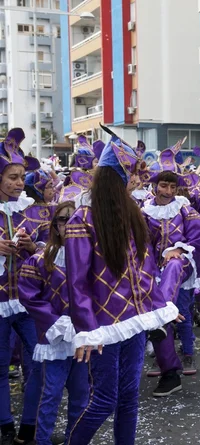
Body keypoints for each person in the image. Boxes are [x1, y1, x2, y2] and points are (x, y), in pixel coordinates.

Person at [65, 136, 179, 445]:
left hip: (134, 321)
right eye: (132, 172)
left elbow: (144, 270)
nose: (139, 178)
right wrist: (87, 330)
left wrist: (158, 305)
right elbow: (77, 281)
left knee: (129, 398)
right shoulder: (83, 218)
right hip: (104, 328)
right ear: (116, 175)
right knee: (104, 399)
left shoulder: (133, 213)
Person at [18, 201, 89, 445]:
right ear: (54, 225)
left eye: (73, 219)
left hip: (82, 336)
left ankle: (75, 440)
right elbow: (29, 296)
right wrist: (54, 322)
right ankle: (43, 441)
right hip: (55, 338)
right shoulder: (40, 260)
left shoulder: (89, 259)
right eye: (62, 220)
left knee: (81, 394)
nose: (68, 225)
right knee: (50, 394)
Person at [142, 147, 200, 388]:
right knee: (161, 315)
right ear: (155, 186)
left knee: (179, 308)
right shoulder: (144, 211)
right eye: (164, 186)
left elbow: (199, 238)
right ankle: (166, 365)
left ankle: (185, 350)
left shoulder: (184, 208)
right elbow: (141, 243)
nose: (168, 191)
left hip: (182, 264)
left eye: (172, 187)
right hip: (153, 270)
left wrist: (178, 250)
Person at [0, 128, 48, 445]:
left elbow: (50, 249)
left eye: (22, 176)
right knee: (0, 366)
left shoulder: (32, 208)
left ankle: (29, 426)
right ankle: (4, 425)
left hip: (29, 302)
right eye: (13, 177)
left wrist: (34, 248)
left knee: (42, 361)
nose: (20, 183)